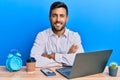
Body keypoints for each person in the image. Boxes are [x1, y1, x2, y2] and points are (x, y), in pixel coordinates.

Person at [30, 1, 84, 67]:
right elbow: (33, 60)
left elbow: (80, 61)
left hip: (69, 76)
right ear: (49, 18)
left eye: (62, 16)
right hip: (46, 76)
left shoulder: (74, 36)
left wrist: (52, 56)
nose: (58, 19)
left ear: (66, 18)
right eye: (54, 16)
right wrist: (64, 60)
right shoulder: (42, 36)